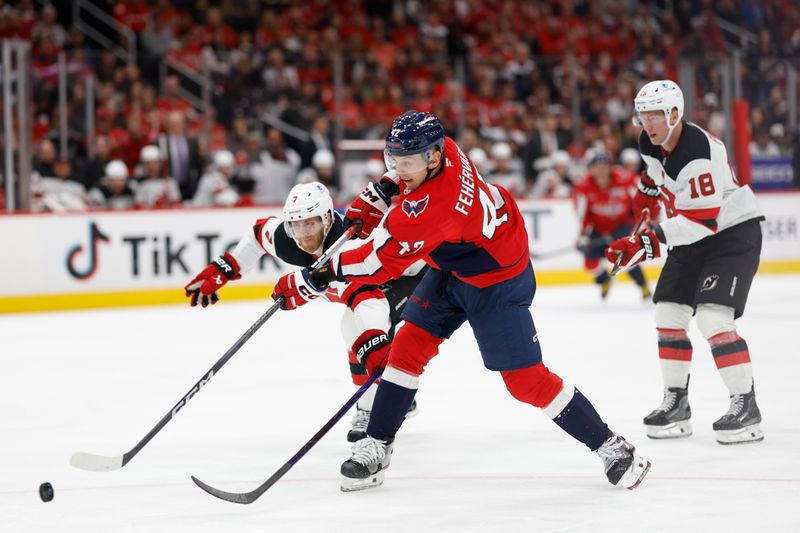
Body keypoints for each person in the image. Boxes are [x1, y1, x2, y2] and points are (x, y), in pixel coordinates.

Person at [272, 111, 651, 492]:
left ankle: (611, 446)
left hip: (497, 282)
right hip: (455, 266)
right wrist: (382, 190)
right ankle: (378, 444)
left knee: (524, 381)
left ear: (432, 157)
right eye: (393, 159)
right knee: (405, 349)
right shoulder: (444, 149)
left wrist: (313, 277)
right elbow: (402, 182)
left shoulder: (433, 209)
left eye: (406, 162)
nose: (398, 168)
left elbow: (372, 260)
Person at [184, 181, 425, 441]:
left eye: (310, 224)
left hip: (410, 277)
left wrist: (375, 340)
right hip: (367, 286)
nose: (303, 234)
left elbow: (368, 299)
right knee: (359, 336)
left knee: (355, 330)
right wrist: (227, 266)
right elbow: (258, 234)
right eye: (295, 224)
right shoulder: (288, 239)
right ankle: (395, 397)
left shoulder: (349, 248)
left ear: (328, 219)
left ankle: (373, 407)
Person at [606, 80, 764, 444]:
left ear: (675, 114)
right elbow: (653, 172)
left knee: (712, 317)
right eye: (643, 115)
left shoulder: (698, 151)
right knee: (668, 315)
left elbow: (702, 221)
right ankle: (676, 402)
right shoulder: (650, 140)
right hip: (691, 231)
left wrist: (645, 243)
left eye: (656, 115)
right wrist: (646, 194)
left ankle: (746, 405)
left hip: (730, 234)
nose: (648, 123)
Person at [573, 149, 651, 300]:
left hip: (622, 227)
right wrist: (583, 234)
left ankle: (643, 285)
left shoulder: (626, 179)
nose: (601, 171)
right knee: (589, 262)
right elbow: (582, 214)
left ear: (611, 167)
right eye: (597, 166)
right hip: (599, 230)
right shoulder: (583, 186)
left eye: (605, 166)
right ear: (591, 168)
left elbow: (642, 201)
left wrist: (640, 226)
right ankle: (604, 279)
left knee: (627, 257)